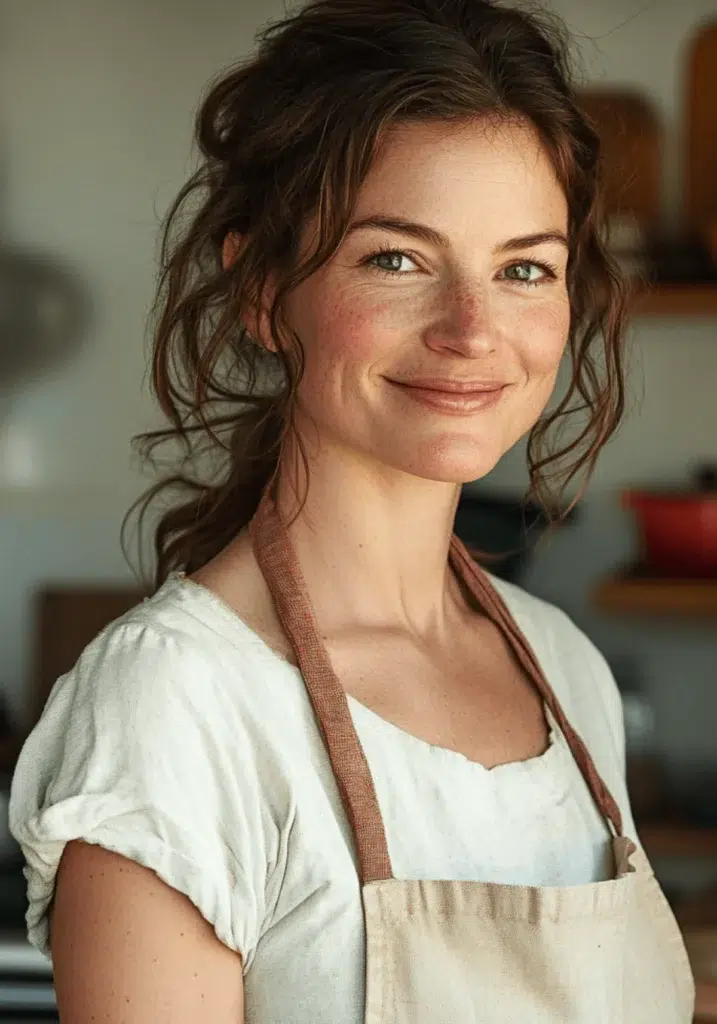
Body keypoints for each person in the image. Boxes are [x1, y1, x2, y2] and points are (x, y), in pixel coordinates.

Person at [9, 0, 695, 1021]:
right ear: (262, 287)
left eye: (522, 269)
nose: (473, 330)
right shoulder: (176, 705)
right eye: (397, 258)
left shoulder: (564, 672)